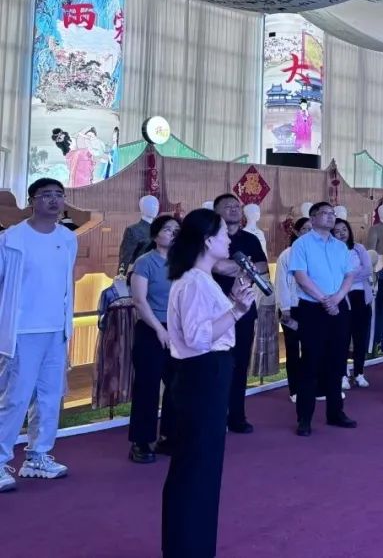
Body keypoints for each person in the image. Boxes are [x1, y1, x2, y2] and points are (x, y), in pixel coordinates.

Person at [161, 209, 256, 558]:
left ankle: (192, 545)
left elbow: (207, 325)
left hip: (207, 372)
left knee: (201, 463)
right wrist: (236, 311)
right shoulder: (194, 282)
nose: (230, 238)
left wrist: (234, 304)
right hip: (202, 372)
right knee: (197, 464)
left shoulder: (200, 279)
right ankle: (188, 547)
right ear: (206, 240)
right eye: (223, 233)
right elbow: (199, 337)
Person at [0, 178, 78, 493]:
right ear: (32, 200)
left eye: (59, 195)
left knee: (49, 395)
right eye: (46, 195)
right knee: (15, 397)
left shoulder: (67, 238)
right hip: (22, 330)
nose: (54, 200)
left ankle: (37, 456)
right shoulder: (11, 239)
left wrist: (66, 327)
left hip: (56, 329)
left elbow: (65, 284)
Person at [290, 202, 357, 436]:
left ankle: (335, 412)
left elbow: (350, 275)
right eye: (325, 213)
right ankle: (304, 418)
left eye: (332, 214)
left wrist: (336, 298)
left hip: (339, 307)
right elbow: (301, 276)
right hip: (312, 309)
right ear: (312, 217)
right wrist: (324, 300)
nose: (330, 217)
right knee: (310, 362)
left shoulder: (340, 246)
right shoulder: (302, 244)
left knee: (337, 361)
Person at [209, 194, 268, 434]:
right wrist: (245, 268)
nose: (234, 210)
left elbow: (262, 266)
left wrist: (235, 268)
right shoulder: (209, 238)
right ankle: (215, 416)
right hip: (214, 310)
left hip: (244, 308)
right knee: (215, 365)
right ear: (216, 211)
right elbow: (216, 266)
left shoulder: (250, 238)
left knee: (240, 364)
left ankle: (237, 416)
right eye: (228, 206)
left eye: (237, 206)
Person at [127, 216, 180, 464]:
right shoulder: (145, 262)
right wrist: (159, 329)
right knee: (147, 387)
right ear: (155, 235)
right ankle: (141, 441)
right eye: (167, 229)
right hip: (151, 329)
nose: (173, 234)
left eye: (176, 230)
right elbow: (140, 301)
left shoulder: (184, 262)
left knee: (176, 385)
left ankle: (168, 436)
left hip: (177, 331)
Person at [274, 217, 311, 401]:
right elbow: (281, 283)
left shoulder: (315, 253)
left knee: (311, 348)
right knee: (292, 349)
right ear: (296, 232)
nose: (308, 233)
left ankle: (310, 385)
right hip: (291, 307)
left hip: (311, 307)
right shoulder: (286, 255)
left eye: (311, 229)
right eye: (305, 229)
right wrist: (285, 308)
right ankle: (294, 389)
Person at [334, 219, 374, 390]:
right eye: (337, 231)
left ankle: (359, 373)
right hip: (342, 298)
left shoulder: (358, 248)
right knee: (342, 338)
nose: (342, 233)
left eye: (344, 229)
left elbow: (368, 269)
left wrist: (349, 276)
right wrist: (352, 275)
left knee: (360, 338)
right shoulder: (331, 251)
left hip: (361, 298)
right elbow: (334, 275)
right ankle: (342, 374)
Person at [118, 195, 159, 274]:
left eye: (156, 205)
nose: (155, 207)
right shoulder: (133, 230)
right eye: (151, 205)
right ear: (142, 208)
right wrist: (121, 277)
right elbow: (125, 258)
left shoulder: (160, 230)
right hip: (140, 273)